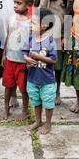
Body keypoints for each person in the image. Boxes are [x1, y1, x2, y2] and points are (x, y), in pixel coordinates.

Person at [34, 0, 72, 105]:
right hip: (42, 28)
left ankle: (56, 92)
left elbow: (72, 6)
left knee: (56, 63)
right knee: (40, 60)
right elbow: (34, 3)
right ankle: (41, 90)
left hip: (59, 28)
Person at [0, 0, 34, 121]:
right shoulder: (12, 18)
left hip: (23, 62)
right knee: (8, 85)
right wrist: (4, 54)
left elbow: (34, 41)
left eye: (19, 3)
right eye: (14, 2)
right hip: (10, 59)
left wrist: (31, 58)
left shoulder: (32, 21)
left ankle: (25, 111)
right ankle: (5, 109)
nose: (15, 5)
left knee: (24, 88)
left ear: (28, 5)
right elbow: (8, 36)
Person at [24, 7, 57, 135]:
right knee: (36, 101)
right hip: (32, 79)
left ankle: (48, 123)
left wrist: (39, 57)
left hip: (47, 80)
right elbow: (24, 53)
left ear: (43, 26)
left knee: (48, 102)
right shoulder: (30, 39)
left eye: (33, 23)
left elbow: (54, 60)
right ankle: (38, 121)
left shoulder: (50, 41)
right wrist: (27, 58)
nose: (30, 25)